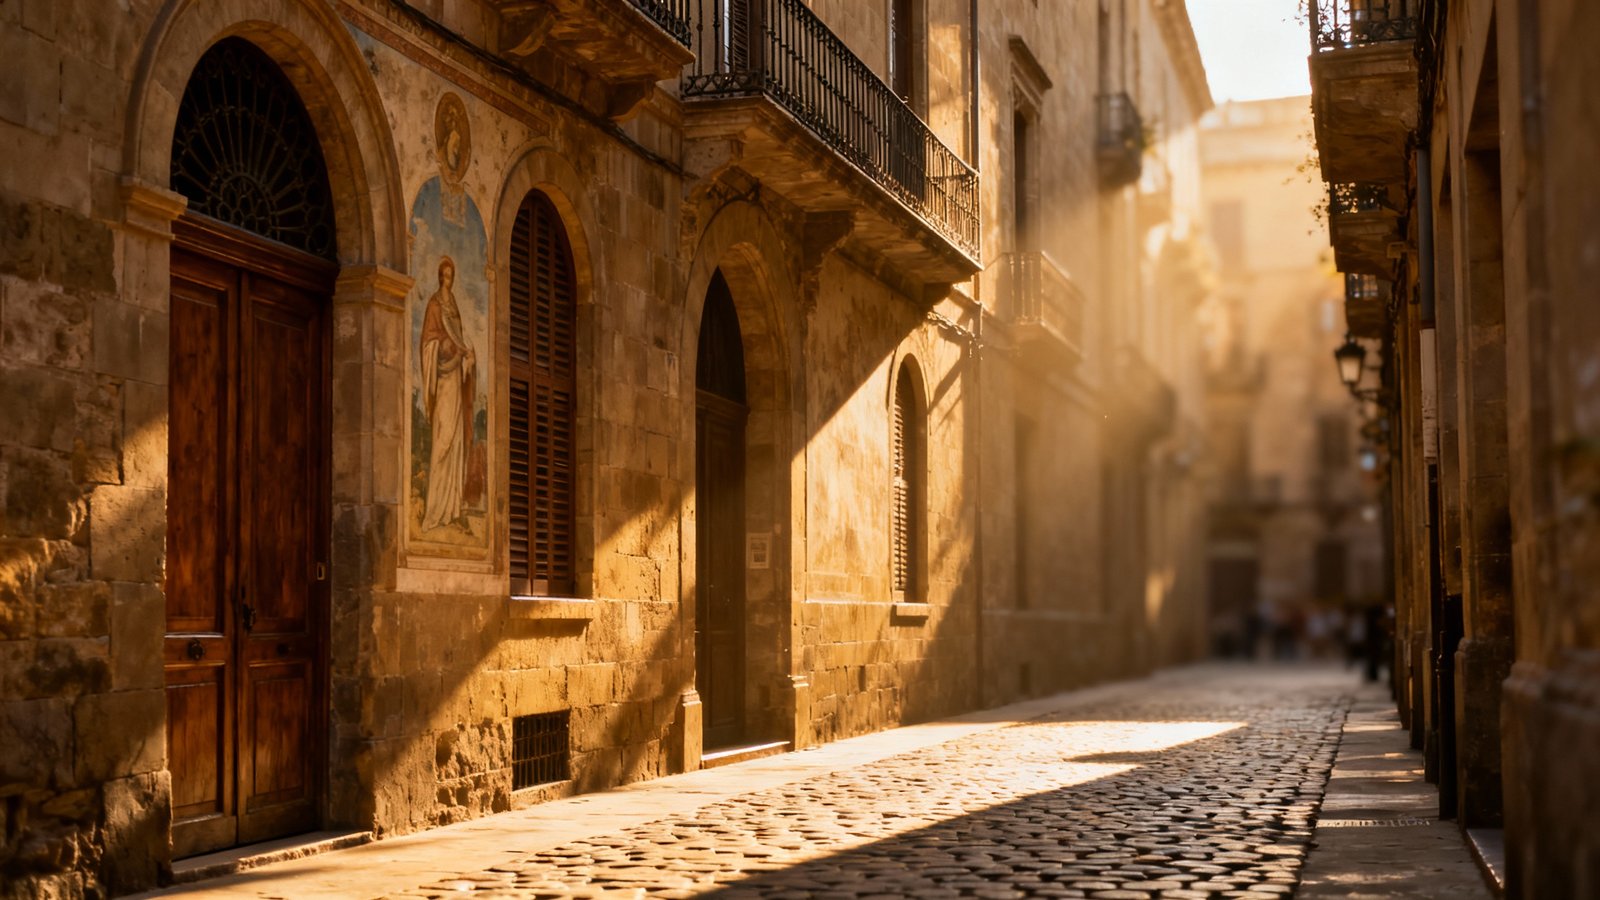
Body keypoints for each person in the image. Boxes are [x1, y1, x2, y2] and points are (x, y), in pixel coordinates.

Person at [419, 256, 476, 532]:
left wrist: (466, 358)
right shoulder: (434, 305)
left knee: (455, 441)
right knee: (442, 439)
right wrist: (446, 348)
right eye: (444, 276)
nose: (448, 281)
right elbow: (430, 342)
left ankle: (451, 508)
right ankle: (435, 510)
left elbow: (460, 340)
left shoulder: (454, 308)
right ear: (439, 277)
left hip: (455, 377)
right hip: (442, 380)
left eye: (451, 277)